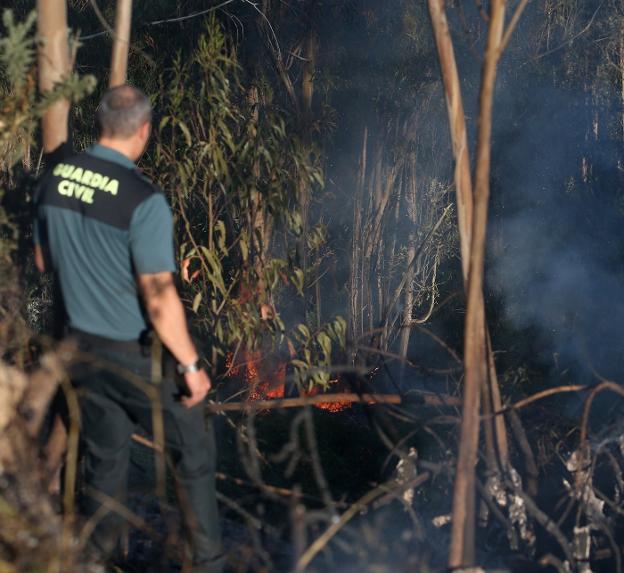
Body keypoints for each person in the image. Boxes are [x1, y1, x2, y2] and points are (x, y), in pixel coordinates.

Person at [33, 85, 223, 572]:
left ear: (100, 123)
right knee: (195, 451)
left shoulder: (55, 179)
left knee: (104, 465)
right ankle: (207, 563)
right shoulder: (144, 200)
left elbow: (42, 259)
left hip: (80, 355)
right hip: (133, 356)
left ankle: (94, 560)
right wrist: (191, 367)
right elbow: (159, 302)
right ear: (144, 130)